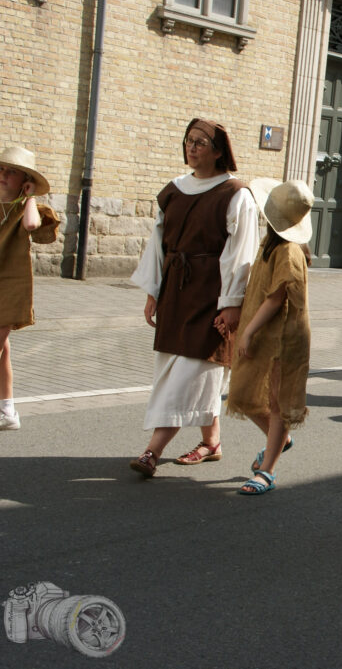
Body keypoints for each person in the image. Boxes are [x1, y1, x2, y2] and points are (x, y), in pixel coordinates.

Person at [129, 118, 260, 477]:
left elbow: (242, 253)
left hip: (211, 296)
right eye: (189, 140)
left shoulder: (236, 193)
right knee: (183, 371)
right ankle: (211, 442)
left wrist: (232, 302)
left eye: (201, 142)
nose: (192, 147)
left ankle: (152, 451)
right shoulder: (174, 190)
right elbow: (158, 245)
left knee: (192, 375)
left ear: (218, 152)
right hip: (176, 292)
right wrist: (153, 291)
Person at [227, 179, 312, 495]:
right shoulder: (270, 242)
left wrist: (248, 330)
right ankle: (281, 439)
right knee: (244, 392)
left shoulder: (288, 251)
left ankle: (267, 470)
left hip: (284, 337)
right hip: (265, 330)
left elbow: (276, 298)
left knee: (278, 401)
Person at [0, 147, 46, 431]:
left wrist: (30, 197)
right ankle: (7, 411)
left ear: (25, 180)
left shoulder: (25, 209)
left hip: (10, 288)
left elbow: (32, 224)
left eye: (12, 171)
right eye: (2, 169)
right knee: (3, 349)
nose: (4, 175)